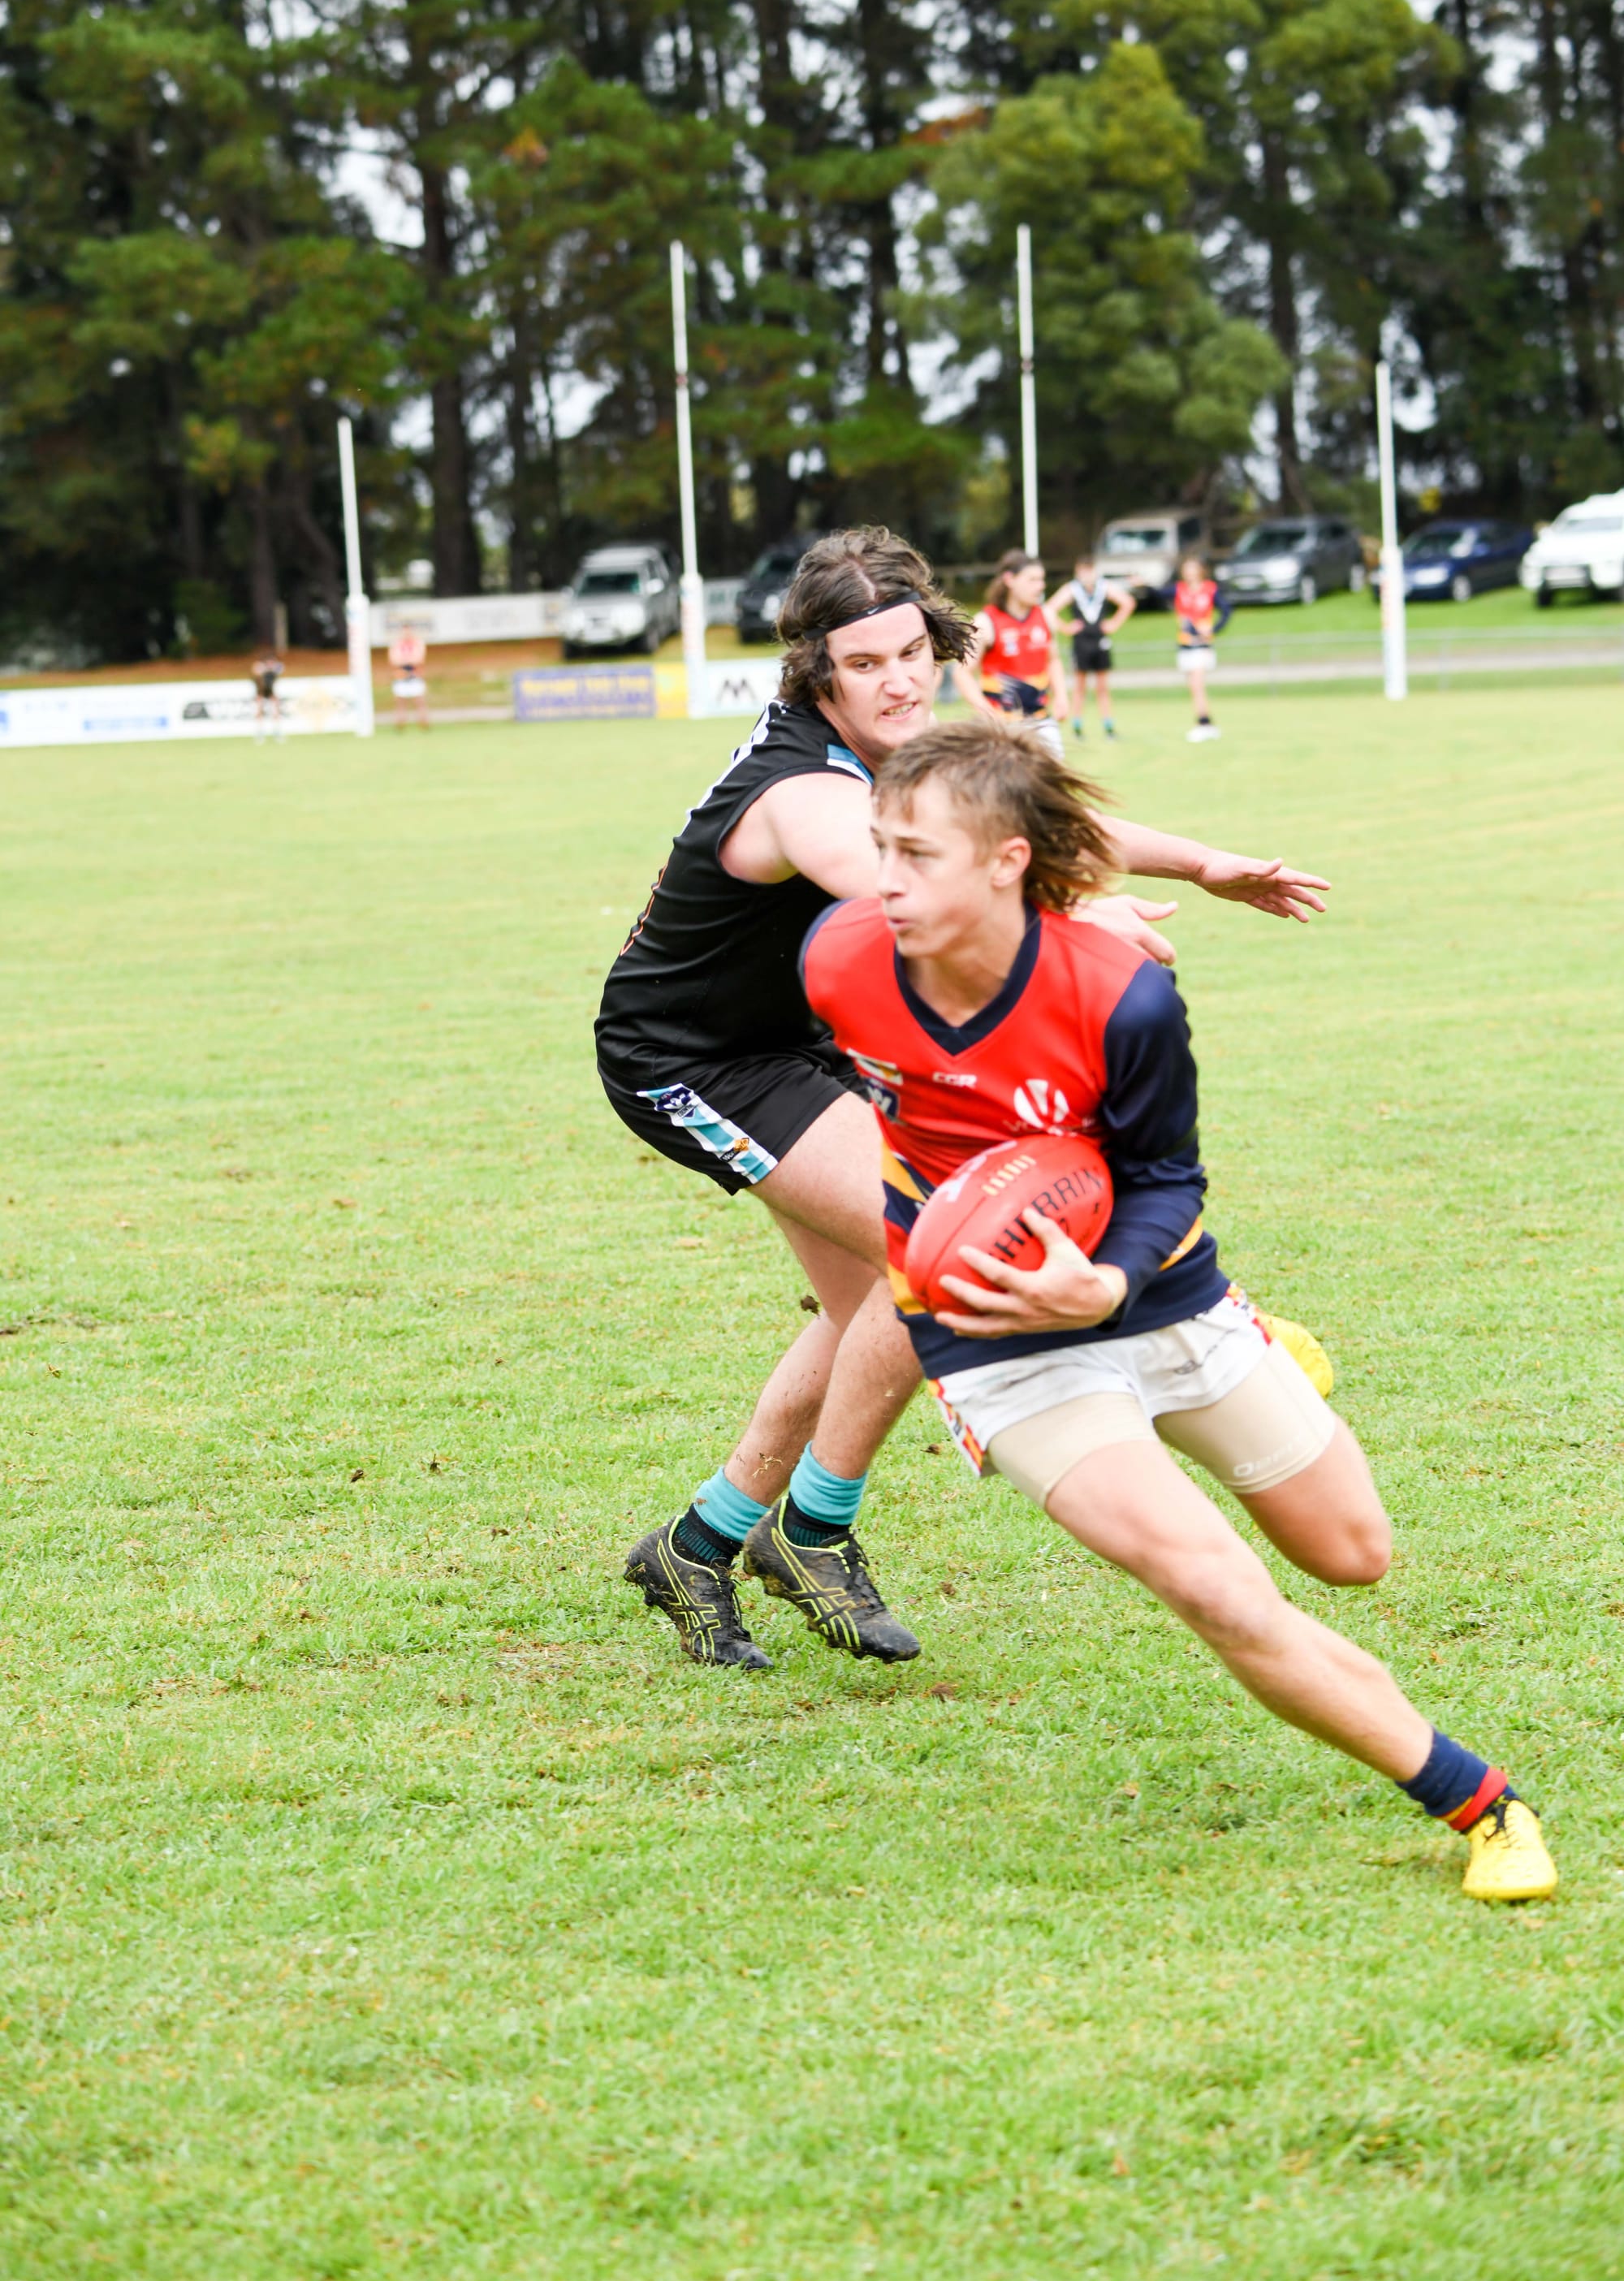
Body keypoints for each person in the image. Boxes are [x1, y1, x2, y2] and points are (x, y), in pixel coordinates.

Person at [800, 724, 1557, 1903]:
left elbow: (1163, 1180)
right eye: (877, 850)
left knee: (1354, 1555)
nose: (883, 881)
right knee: (1213, 1587)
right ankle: (1483, 1803)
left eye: (918, 856)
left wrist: (1104, 1283)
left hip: (1162, 1299)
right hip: (997, 1343)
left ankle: (1263, 1350)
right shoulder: (838, 960)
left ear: (1007, 861)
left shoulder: (1121, 997)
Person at [597, 527, 1331, 1673]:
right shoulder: (799, 791)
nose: (897, 681)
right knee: (922, 1249)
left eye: (910, 652)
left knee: (871, 1309)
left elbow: (1018, 833)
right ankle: (815, 1529)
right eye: (864, 663)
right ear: (816, 674)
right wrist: (1084, 924)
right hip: (691, 1060)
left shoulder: (905, 747)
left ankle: (702, 1543)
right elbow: (904, 892)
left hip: (802, 1041)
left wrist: (1202, 863)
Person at [962, 549, 1069, 757]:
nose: (1041, 586)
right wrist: (985, 710)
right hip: (1003, 728)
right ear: (1009, 579)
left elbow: (1053, 660)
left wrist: (1061, 696)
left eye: (1042, 580)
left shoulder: (1045, 616)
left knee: (1050, 785)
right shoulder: (986, 622)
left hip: (1041, 722)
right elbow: (962, 673)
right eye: (1032, 580)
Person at [1053, 551, 1134, 741]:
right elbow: (1049, 608)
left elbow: (1128, 602)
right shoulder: (1072, 589)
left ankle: (1108, 727)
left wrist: (1114, 623)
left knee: (1102, 687)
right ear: (1077, 572)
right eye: (1083, 571)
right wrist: (1065, 627)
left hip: (1100, 640)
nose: (1087, 575)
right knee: (1080, 686)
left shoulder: (1103, 587)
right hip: (1081, 642)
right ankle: (1077, 727)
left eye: (1090, 570)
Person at [1173, 555, 1228, 743]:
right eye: (1186, 568)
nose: (1189, 572)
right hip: (1185, 644)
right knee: (1193, 687)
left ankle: (1203, 724)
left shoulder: (1209, 589)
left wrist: (1214, 629)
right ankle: (1208, 723)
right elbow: (1157, 594)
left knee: (1197, 685)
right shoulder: (1179, 589)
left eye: (1192, 568)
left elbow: (1227, 611)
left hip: (1202, 645)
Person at [388, 624, 430, 729]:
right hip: (401, 674)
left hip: (414, 674)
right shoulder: (396, 644)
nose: (406, 634)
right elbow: (394, 660)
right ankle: (400, 723)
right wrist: (405, 664)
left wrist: (409, 663)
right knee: (400, 701)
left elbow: (419, 660)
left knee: (419, 700)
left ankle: (423, 722)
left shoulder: (418, 643)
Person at [250, 645, 286, 739]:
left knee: (276, 711)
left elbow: (280, 668)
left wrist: (271, 668)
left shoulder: (276, 668)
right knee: (259, 711)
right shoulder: (260, 668)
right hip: (260, 691)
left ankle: (277, 731)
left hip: (271, 691)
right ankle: (259, 732)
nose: (271, 663)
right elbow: (256, 671)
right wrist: (266, 669)